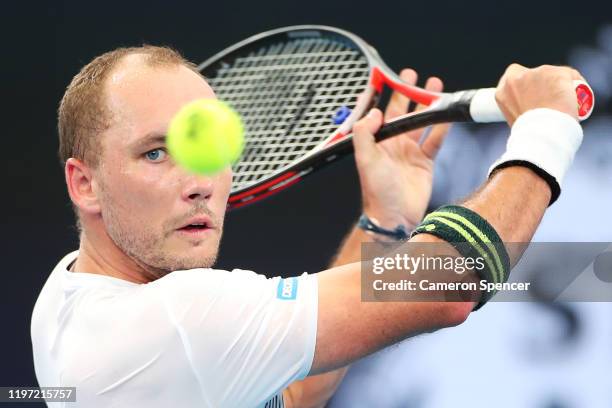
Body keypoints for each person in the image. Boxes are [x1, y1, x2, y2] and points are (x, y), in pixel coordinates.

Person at [31, 45, 586, 407]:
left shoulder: (64, 298)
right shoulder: (177, 322)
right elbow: (447, 282)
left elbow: (287, 395)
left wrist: (384, 225)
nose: (199, 181)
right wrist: (545, 131)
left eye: (208, 147)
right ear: (84, 183)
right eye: (155, 153)